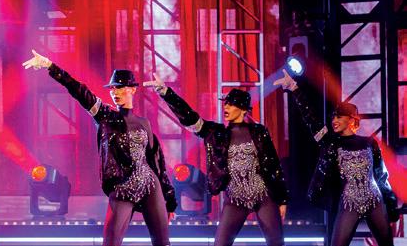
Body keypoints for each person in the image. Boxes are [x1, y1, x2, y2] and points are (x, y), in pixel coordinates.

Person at [22, 50, 174, 246]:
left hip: (150, 184)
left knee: (163, 242)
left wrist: (169, 200)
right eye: (112, 89)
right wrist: (50, 66)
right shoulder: (105, 116)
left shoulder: (144, 123)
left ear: (132, 89)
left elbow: (156, 162)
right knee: (111, 242)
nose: (115, 92)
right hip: (122, 186)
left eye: (120, 88)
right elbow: (78, 90)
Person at [144, 74, 287, 246]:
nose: (226, 106)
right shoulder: (217, 133)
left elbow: (273, 165)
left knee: (276, 243)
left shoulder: (259, 132)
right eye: (226, 103)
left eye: (231, 104)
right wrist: (166, 93)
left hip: (263, 195)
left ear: (243, 109)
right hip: (235, 199)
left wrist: (282, 199)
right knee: (220, 243)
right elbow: (190, 118)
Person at [275, 70, 397, 246]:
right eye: (333, 116)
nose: (334, 120)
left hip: (374, 200)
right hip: (348, 203)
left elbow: (381, 176)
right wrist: (294, 89)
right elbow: (312, 120)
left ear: (352, 120)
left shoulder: (370, 143)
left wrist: (391, 205)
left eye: (339, 116)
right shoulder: (330, 143)